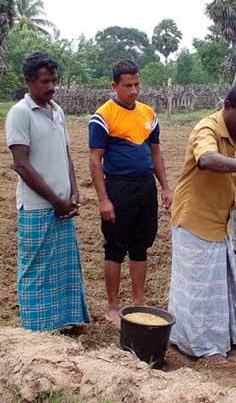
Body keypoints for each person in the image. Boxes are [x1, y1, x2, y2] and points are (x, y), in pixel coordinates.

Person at [168, 83, 236, 365]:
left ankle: (225, 337)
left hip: (218, 219)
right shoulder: (207, 129)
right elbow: (207, 159)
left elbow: (235, 172)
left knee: (219, 284)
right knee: (198, 289)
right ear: (227, 106)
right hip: (194, 218)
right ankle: (203, 348)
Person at [5, 51, 90, 332]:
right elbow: (21, 165)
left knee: (62, 270)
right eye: (45, 81)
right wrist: (56, 200)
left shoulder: (58, 111)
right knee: (35, 271)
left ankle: (64, 324)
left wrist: (74, 192)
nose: (51, 86)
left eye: (54, 80)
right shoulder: (20, 113)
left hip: (63, 205)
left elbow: (65, 154)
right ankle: (35, 331)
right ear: (29, 81)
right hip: (37, 207)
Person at [88, 59, 172, 328]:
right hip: (118, 187)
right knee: (114, 248)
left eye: (137, 84)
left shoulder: (149, 113)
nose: (134, 90)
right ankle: (112, 305)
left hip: (145, 187)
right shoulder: (103, 116)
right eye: (127, 85)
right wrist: (103, 199)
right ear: (114, 86)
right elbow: (94, 160)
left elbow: (156, 153)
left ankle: (138, 300)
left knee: (141, 245)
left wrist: (165, 187)